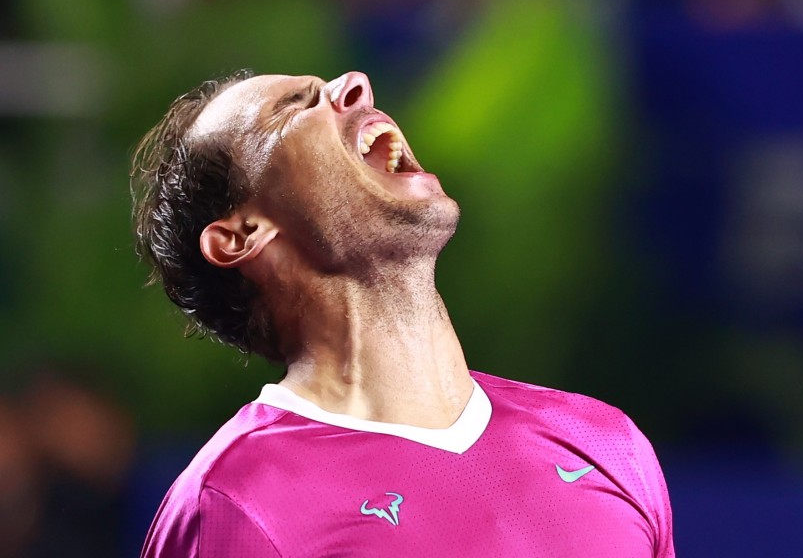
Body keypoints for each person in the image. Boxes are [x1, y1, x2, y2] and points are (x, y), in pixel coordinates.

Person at [132, 70, 674, 556]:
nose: (356, 85)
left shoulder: (605, 443)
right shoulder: (234, 506)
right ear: (243, 236)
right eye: (296, 107)